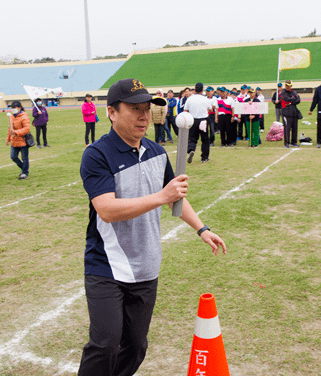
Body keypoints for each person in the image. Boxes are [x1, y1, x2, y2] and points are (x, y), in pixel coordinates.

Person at [78, 78, 226, 376]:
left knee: (136, 346)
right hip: (106, 265)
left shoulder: (157, 152)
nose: (144, 116)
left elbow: (176, 199)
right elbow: (106, 210)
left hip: (146, 265)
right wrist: (162, 196)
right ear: (112, 112)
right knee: (106, 343)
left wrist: (202, 229)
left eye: (147, 109)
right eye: (134, 109)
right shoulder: (97, 154)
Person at [185, 82, 211, 163]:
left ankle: (191, 150)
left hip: (193, 120)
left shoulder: (189, 99)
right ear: (202, 90)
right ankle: (204, 157)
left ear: (195, 89)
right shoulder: (205, 99)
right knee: (205, 139)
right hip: (203, 120)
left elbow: (185, 110)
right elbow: (210, 109)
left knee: (192, 138)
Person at [6, 101, 31, 180]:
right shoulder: (12, 117)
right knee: (13, 157)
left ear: (19, 107)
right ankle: (24, 168)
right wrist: (8, 139)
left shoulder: (24, 117)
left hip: (23, 141)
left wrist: (16, 132)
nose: (13, 109)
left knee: (24, 158)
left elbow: (27, 129)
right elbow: (10, 128)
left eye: (14, 107)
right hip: (14, 141)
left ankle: (24, 173)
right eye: (12, 108)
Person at [280, 80, 301, 148]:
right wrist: (293, 99)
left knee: (295, 128)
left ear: (291, 85)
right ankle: (286, 142)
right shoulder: (283, 92)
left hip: (294, 113)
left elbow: (298, 100)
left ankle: (294, 142)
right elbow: (286, 99)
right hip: (286, 113)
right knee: (287, 129)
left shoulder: (294, 92)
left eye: (289, 85)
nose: (287, 86)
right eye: (286, 85)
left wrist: (291, 102)